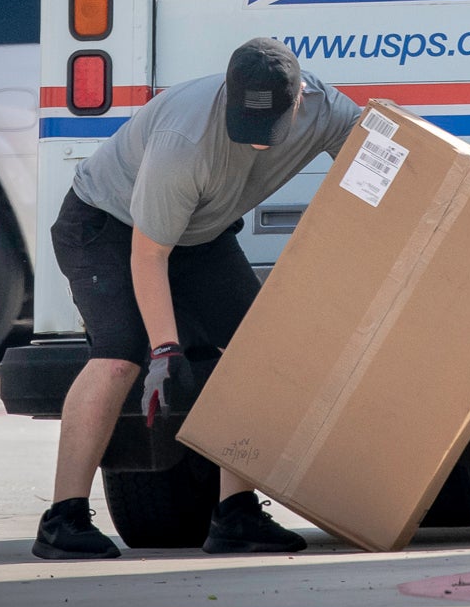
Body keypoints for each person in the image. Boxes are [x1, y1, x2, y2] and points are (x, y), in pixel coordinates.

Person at [33, 37, 361, 560]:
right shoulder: (185, 140)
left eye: (269, 129)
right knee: (120, 355)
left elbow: (381, 164)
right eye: (246, 126)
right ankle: (62, 519)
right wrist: (166, 348)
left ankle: (235, 515)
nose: (257, 142)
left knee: (260, 351)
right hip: (106, 228)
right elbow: (148, 255)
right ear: (229, 93)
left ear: (300, 99)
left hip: (197, 237)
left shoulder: (329, 111)